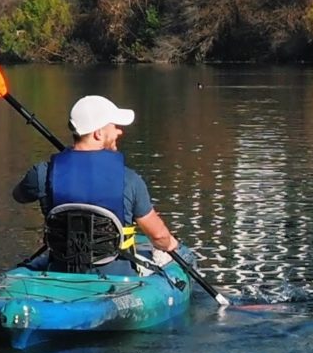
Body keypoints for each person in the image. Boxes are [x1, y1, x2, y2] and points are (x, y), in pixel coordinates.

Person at [10, 92, 185, 264]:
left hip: (59, 269)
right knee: (175, 251)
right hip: (118, 278)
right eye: (114, 126)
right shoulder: (129, 180)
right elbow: (159, 236)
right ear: (98, 133)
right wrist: (173, 245)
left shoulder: (42, 173)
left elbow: (18, 196)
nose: (119, 131)